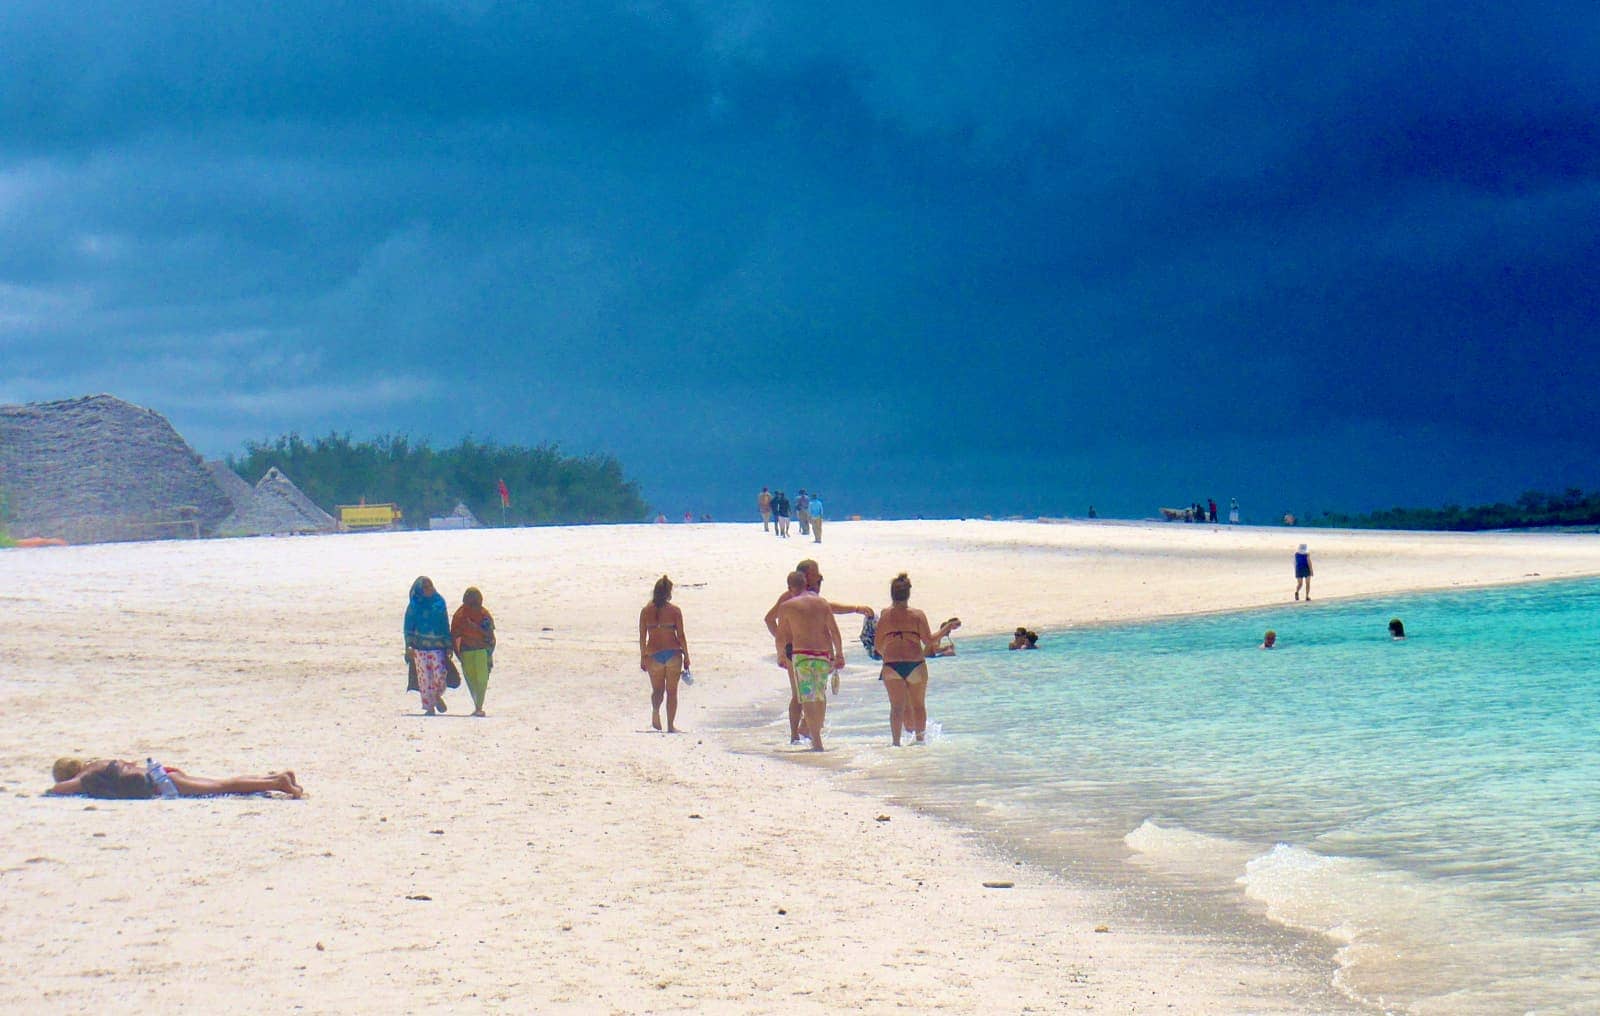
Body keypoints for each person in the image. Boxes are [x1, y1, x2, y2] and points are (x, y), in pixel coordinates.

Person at [763, 559, 874, 743]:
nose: (821, 577)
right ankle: (795, 735)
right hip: (795, 650)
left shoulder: (813, 596)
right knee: (800, 694)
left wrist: (856, 609)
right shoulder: (789, 597)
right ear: (806, 576)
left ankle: (808, 729)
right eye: (817, 574)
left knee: (816, 692)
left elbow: (827, 608)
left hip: (816, 651)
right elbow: (769, 619)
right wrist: (783, 644)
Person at [874, 573, 960, 746]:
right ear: (908, 594)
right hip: (915, 663)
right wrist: (948, 628)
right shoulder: (917, 615)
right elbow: (928, 640)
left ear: (892, 593)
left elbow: (877, 645)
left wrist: (888, 655)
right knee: (918, 705)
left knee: (896, 707)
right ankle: (920, 742)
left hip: (892, 665)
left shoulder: (885, 615)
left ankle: (896, 743)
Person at [774, 571, 844, 751]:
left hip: (802, 655)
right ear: (806, 584)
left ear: (790, 588)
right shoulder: (822, 603)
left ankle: (817, 741)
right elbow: (834, 631)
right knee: (819, 695)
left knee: (806, 697)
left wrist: (781, 655)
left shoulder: (787, 606)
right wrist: (839, 653)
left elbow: (781, 636)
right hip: (822, 655)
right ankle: (816, 736)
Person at [48, 758, 304, 799]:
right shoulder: (102, 762)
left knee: (220, 786)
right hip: (161, 772)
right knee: (219, 782)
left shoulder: (86, 776)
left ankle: (277, 783)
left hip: (160, 783)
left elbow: (60, 789)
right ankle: (273, 778)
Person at [639, 575, 690, 733]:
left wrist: (643, 656)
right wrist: (687, 656)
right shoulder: (675, 611)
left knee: (658, 690)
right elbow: (680, 635)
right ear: (668, 593)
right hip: (673, 654)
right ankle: (670, 726)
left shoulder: (645, 611)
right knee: (672, 691)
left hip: (653, 655)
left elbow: (642, 637)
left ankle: (655, 712)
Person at [406, 576, 453, 715]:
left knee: (440, 675)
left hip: (437, 646)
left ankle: (437, 696)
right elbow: (408, 626)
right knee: (424, 679)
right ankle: (429, 707)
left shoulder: (439, 602)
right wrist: (408, 644)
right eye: (425, 587)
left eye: (430, 586)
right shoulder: (414, 606)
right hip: (419, 648)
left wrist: (448, 644)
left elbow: (445, 624)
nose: (428, 590)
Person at [451, 586, 496, 717]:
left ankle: (479, 706)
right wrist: (458, 652)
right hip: (466, 652)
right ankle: (477, 705)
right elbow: (455, 634)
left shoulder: (483, 614)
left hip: (481, 651)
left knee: (481, 680)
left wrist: (475, 628)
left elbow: (489, 634)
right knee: (471, 680)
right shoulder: (460, 615)